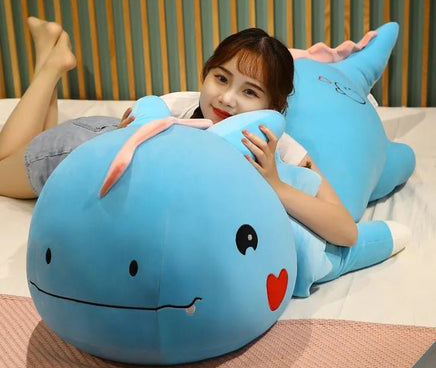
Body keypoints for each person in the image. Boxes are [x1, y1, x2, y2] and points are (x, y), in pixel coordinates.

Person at [0, 18, 357, 247]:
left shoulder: (279, 148)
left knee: (21, 151)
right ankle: (51, 67)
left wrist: (276, 186)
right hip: (82, 146)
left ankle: (50, 56)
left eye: (250, 92)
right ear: (206, 73)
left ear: (274, 107)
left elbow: (346, 230)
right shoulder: (176, 107)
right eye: (221, 78)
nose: (227, 98)